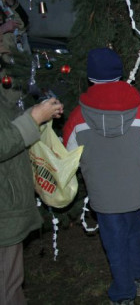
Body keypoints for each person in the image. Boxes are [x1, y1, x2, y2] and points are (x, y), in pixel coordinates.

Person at [63, 48, 140, 305]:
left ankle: (123, 293)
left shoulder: (78, 115)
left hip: (103, 194)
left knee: (114, 241)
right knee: (134, 231)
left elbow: (68, 154)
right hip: (136, 189)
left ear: (91, 77)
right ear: (120, 73)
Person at [1, 91, 63, 305]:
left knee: (10, 282)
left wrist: (34, 115)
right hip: (4, 208)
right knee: (7, 287)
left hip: (8, 205)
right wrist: (32, 120)